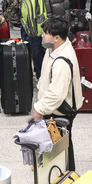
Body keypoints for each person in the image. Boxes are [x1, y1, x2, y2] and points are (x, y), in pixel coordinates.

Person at [34, 16, 83, 169]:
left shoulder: (62, 61)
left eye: (45, 33)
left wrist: (39, 108)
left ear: (56, 37)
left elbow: (56, 94)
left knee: (61, 149)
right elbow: (46, 73)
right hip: (53, 108)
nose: (42, 35)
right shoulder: (54, 47)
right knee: (57, 147)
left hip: (59, 113)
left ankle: (66, 178)